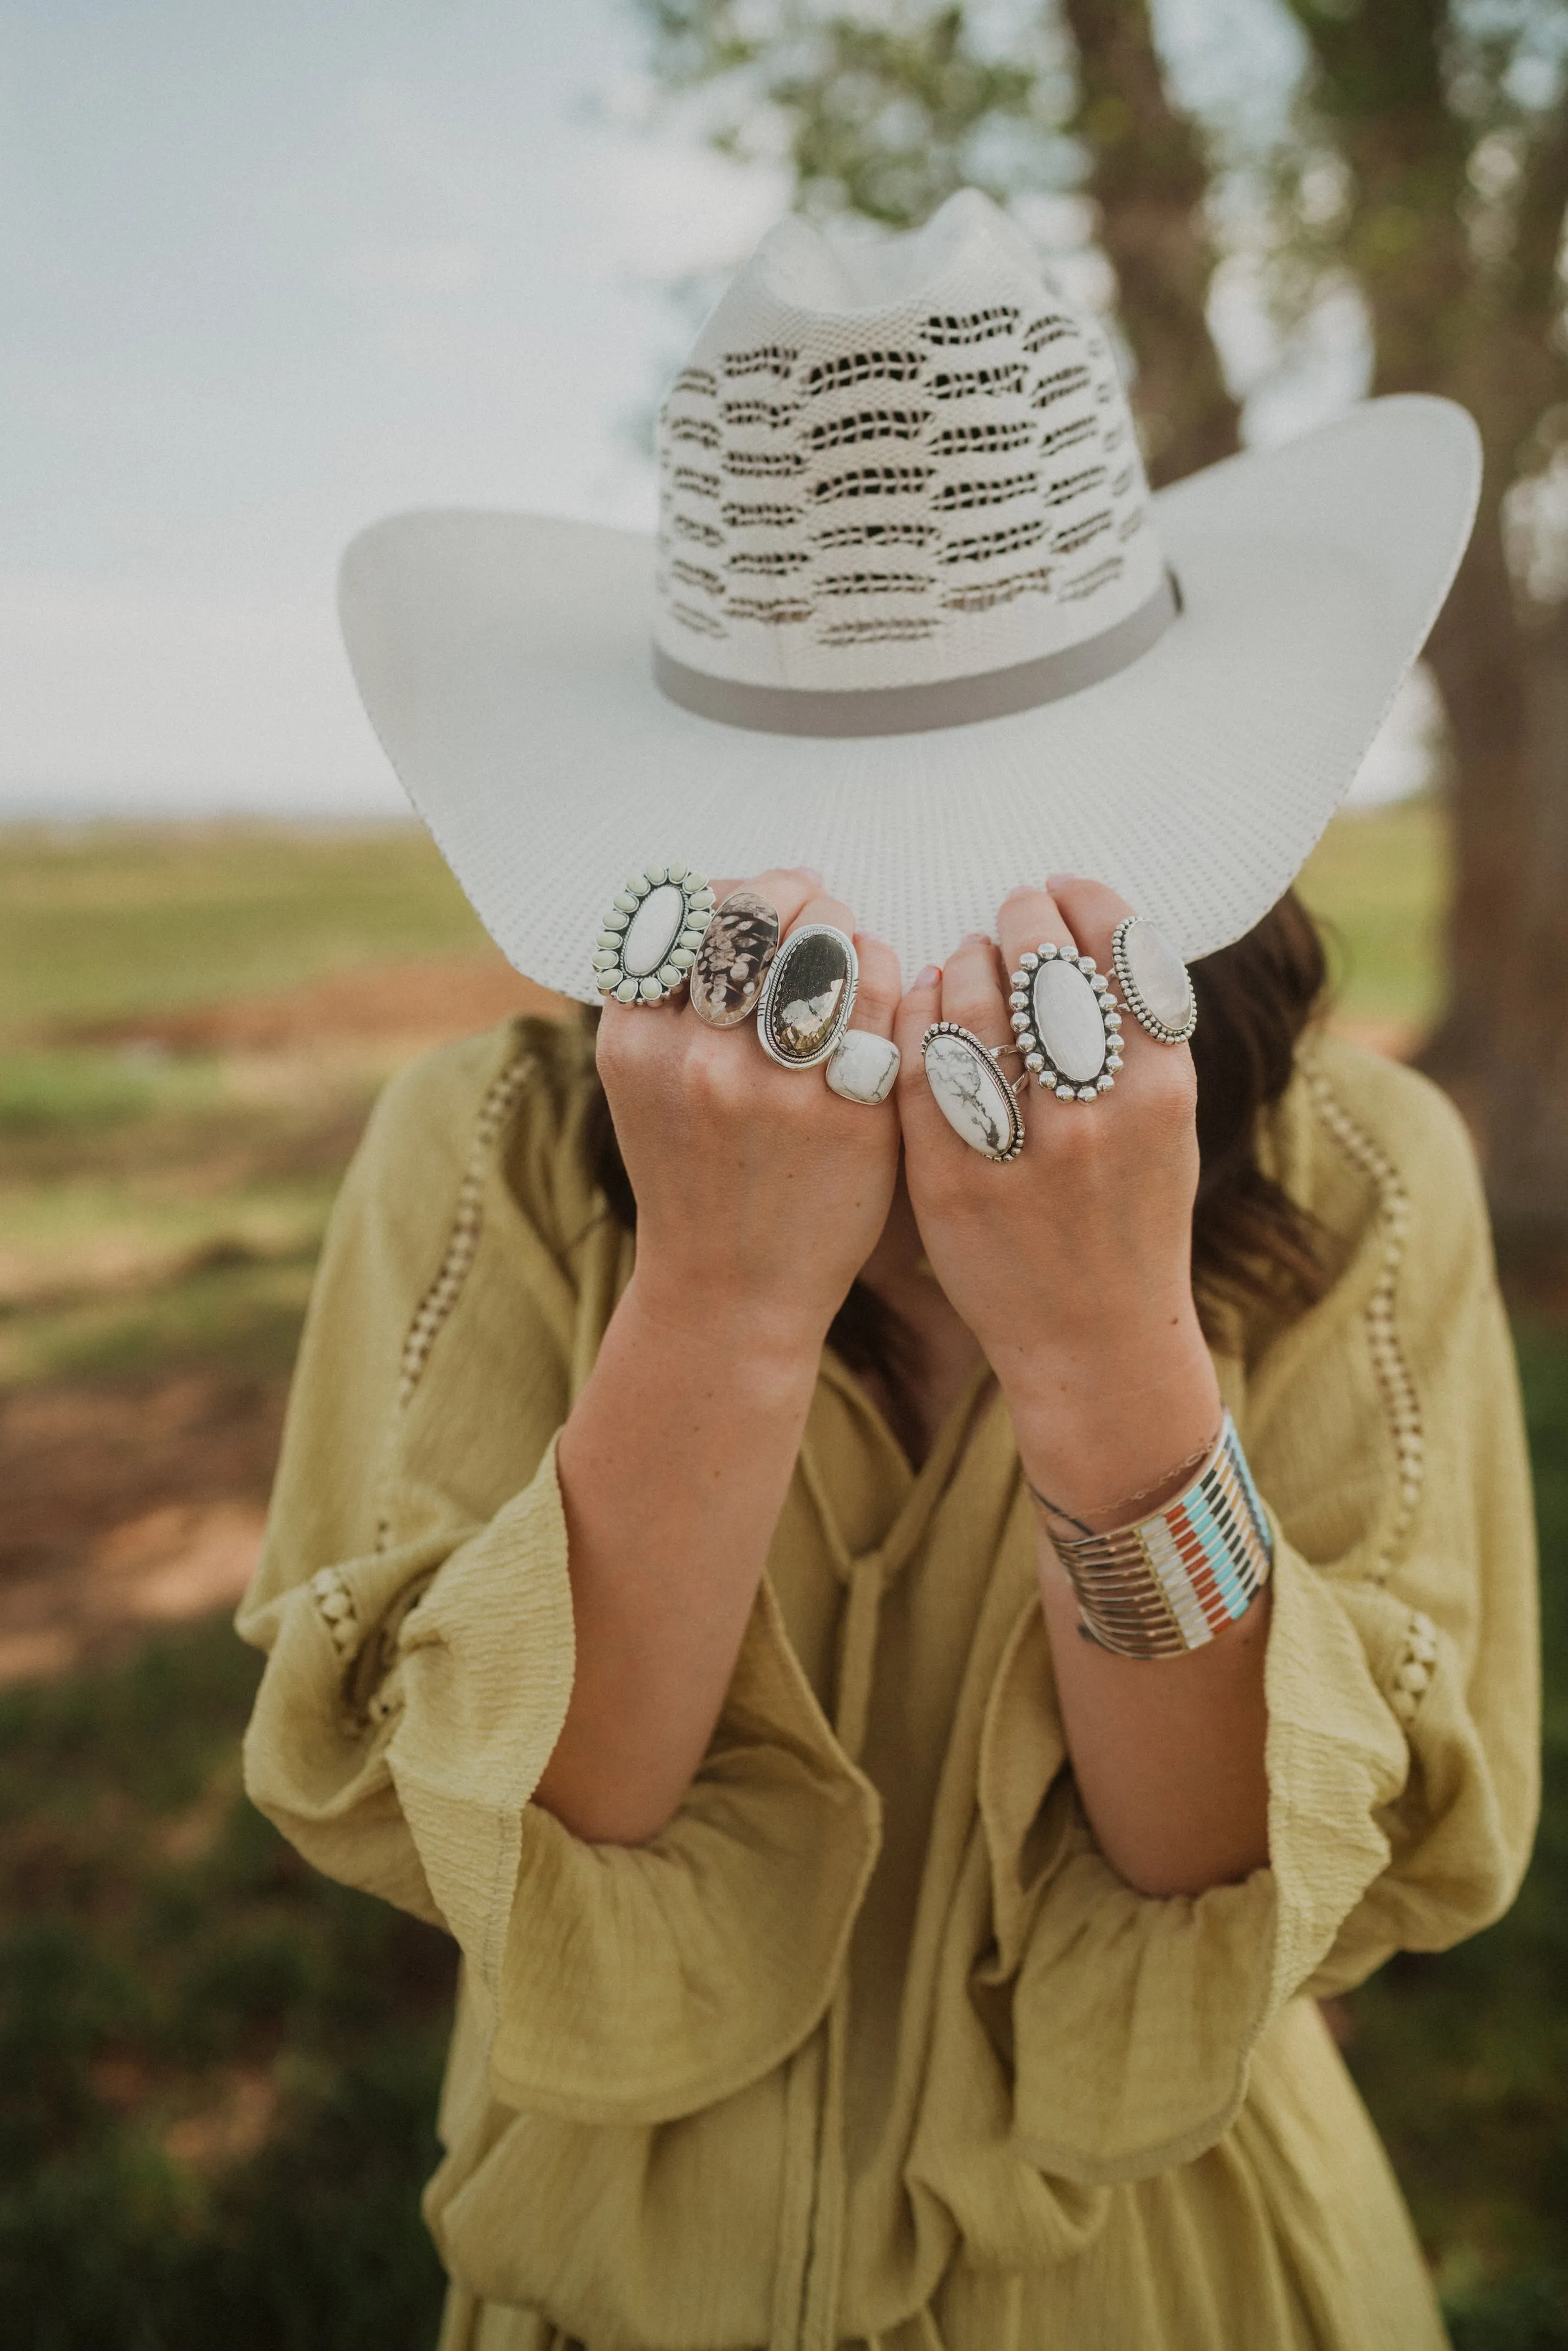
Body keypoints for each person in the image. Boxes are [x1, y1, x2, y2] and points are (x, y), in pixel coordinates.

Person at [238, 194, 1538, 2350]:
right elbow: (510, 1845)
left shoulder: (1365, 1175)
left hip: (1174, 2284)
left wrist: (1112, 1351)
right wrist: (723, 1311)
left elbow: (1231, 1866)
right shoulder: (485, 1160)